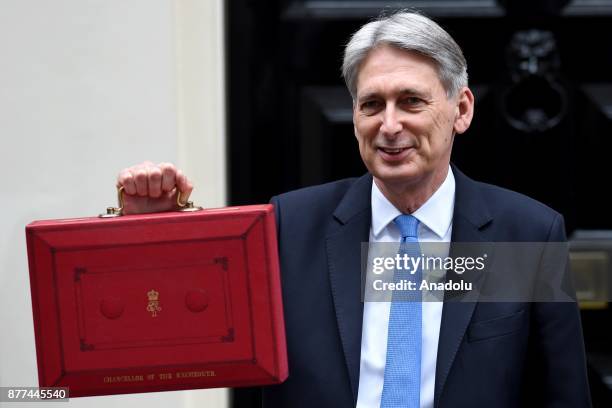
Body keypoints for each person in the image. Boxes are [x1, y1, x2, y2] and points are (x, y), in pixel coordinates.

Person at [117, 11, 591, 408]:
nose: (389, 125)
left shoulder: (525, 233)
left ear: (461, 110)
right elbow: (177, 342)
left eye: (411, 101)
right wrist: (149, 235)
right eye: (371, 104)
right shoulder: (288, 228)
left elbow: (562, 395)